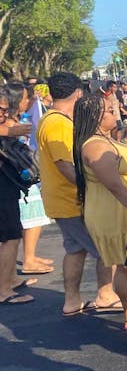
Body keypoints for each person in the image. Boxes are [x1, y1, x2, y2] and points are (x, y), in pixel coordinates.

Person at [73, 93, 127, 338]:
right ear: (96, 117)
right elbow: (115, 185)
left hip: (121, 211)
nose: (115, 113)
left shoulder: (104, 140)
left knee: (126, 267)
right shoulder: (95, 146)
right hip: (117, 214)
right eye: (110, 111)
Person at [36, 72, 121, 317]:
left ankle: (72, 300)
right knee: (106, 247)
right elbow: (65, 164)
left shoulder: (50, 119)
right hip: (72, 200)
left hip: (63, 200)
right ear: (77, 93)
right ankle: (106, 295)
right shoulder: (59, 123)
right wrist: (90, 188)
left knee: (75, 249)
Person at [0, 85, 36, 305]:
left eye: (5, 110)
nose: (4, 115)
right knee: (10, 237)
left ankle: (10, 279)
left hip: (8, 186)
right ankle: (3, 289)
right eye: (0, 110)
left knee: (13, 235)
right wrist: (10, 131)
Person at [16, 82, 54, 277]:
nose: (28, 101)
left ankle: (30, 255)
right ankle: (28, 259)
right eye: (25, 98)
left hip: (26, 170)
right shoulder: (12, 121)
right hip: (20, 174)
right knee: (30, 216)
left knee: (33, 216)